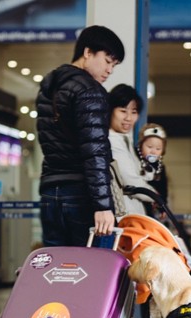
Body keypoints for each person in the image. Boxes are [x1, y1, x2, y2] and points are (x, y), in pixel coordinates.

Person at [36, 25, 124, 246]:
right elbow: (95, 152)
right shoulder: (89, 91)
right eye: (107, 60)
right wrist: (103, 205)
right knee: (93, 271)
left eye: (114, 65)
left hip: (50, 194)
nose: (110, 70)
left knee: (54, 271)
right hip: (81, 195)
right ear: (87, 53)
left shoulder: (49, 88)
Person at [107, 84, 157, 215]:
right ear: (110, 110)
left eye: (133, 112)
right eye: (123, 111)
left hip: (133, 212)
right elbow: (130, 180)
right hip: (120, 216)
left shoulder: (125, 139)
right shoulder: (110, 141)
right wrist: (156, 197)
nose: (128, 118)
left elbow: (139, 174)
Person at [136, 123, 169, 218]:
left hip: (150, 206)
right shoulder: (135, 160)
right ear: (141, 146)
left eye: (158, 149)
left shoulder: (160, 168)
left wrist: (163, 207)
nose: (153, 151)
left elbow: (163, 188)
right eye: (149, 147)